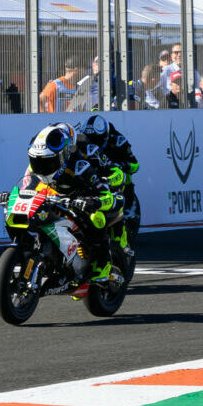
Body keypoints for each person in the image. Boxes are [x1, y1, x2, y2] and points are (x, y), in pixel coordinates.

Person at [19, 121, 127, 287]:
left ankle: (102, 265)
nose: (41, 167)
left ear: (62, 155)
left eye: (47, 162)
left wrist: (91, 201)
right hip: (56, 198)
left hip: (84, 197)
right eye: (37, 161)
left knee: (96, 217)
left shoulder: (80, 164)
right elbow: (27, 186)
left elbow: (103, 191)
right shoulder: (35, 166)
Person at [75, 114, 140, 229]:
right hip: (96, 169)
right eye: (89, 138)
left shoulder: (118, 141)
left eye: (96, 139)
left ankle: (128, 208)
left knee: (126, 177)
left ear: (105, 136)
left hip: (115, 170)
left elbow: (135, 165)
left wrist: (123, 165)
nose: (92, 142)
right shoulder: (83, 142)